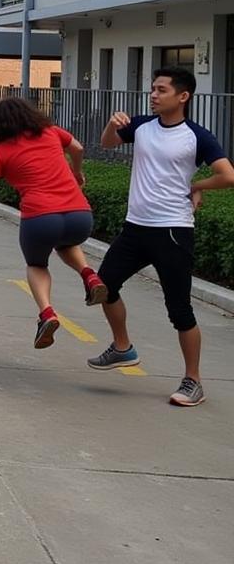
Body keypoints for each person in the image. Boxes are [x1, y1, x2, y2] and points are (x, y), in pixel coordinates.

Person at [90, 67, 234, 407]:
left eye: (161, 90)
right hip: (135, 226)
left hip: (172, 229)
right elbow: (107, 143)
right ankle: (122, 347)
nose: (153, 95)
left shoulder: (197, 136)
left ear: (182, 96)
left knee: (179, 309)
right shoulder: (140, 125)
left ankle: (193, 381)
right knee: (103, 284)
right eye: (152, 89)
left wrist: (196, 186)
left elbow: (227, 175)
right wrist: (113, 124)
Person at [0, 98, 107, 350]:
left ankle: (47, 313)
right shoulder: (51, 132)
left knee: (37, 264)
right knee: (66, 243)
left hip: (41, 218)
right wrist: (76, 172)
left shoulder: (0, 152)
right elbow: (78, 147)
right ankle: (90, 275)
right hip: (79, 215)